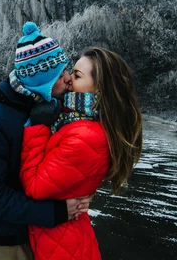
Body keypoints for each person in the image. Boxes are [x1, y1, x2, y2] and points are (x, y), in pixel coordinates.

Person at [0, 22, 93, 260]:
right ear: (42, 80)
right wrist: (56, 212)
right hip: (1, 245)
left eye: (68, 70)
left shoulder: (41, 107)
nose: (67, 79)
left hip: (35, 234)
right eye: (60, 73)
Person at [20, 47, 144, 260]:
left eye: (77, 76)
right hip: (62, 239)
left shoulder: (85, 136)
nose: (68, 80)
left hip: (60, 247)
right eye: (70, 72)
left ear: (99, 90)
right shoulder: (74, 121)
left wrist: (37, 127)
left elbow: (34, 187)